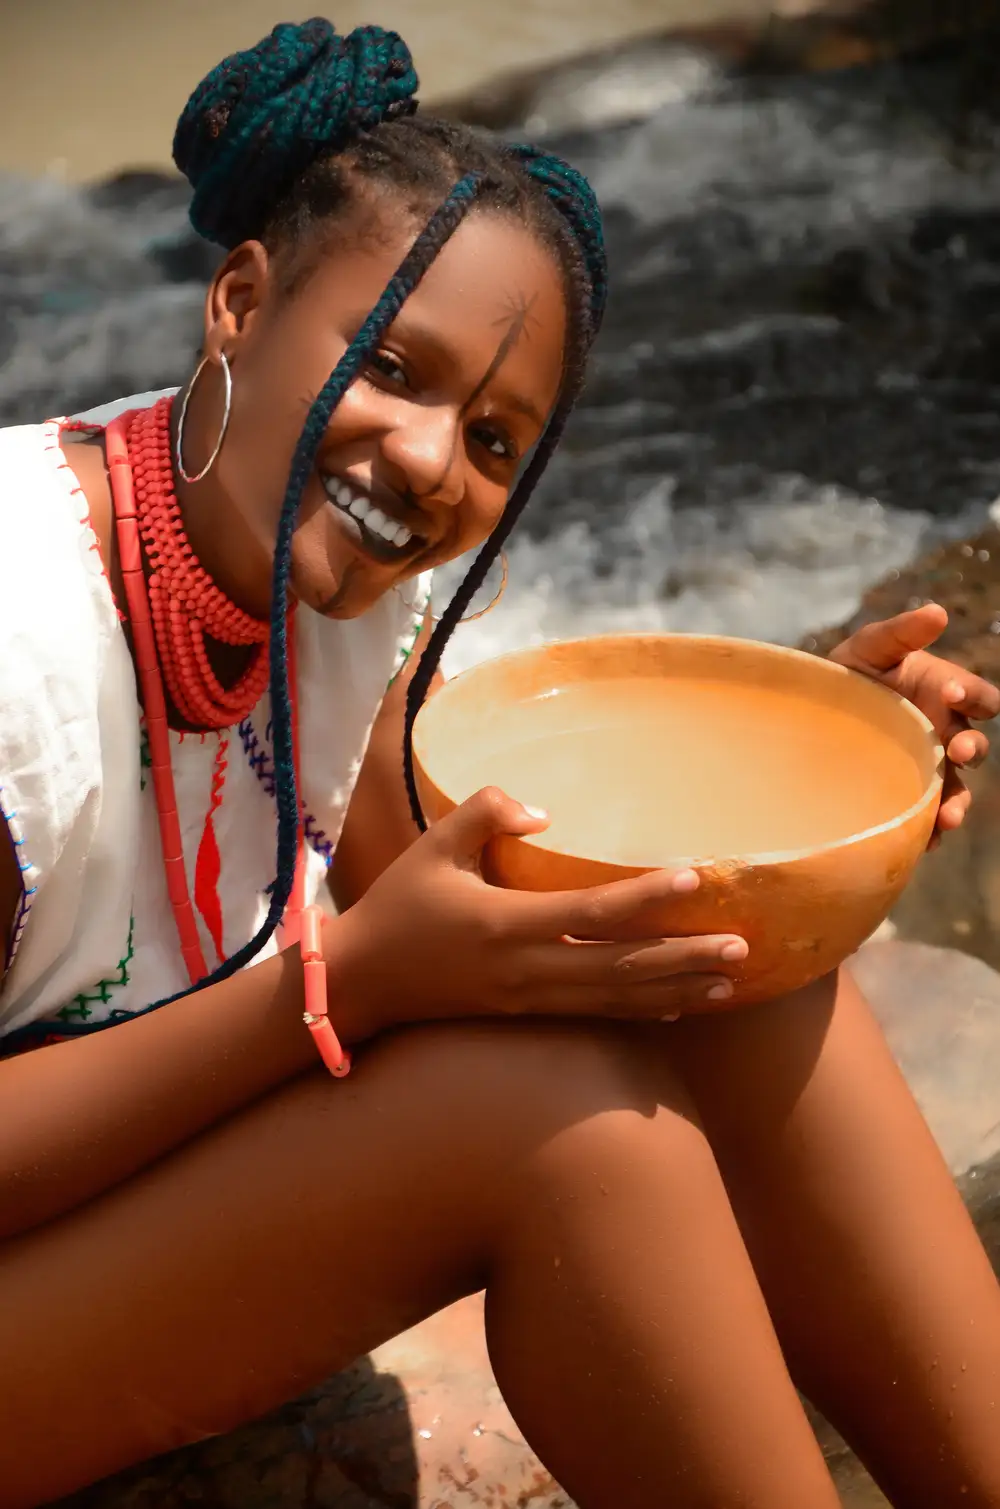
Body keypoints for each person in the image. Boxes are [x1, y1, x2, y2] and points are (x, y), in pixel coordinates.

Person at [0, 19, 997, 1509]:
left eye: (493, 437)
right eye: (393, 367)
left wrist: (817, 793)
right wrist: (334, 992)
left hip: (101, 1218)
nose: (426, 460)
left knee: (714, 947)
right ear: (239, 300)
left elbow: (466, 875)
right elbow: (378, 970)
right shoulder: (21, 646)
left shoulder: (334, 597)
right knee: (563, 1137)